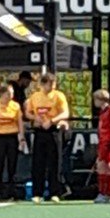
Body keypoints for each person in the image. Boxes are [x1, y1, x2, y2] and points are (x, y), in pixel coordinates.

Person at [25, 74, 70, 204]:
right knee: (38, 163)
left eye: (54, 84)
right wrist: (35, 118)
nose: (52, 87)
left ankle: (54, 193)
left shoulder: (59, 96)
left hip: (53, 131)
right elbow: (28, 112)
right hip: (39, 131)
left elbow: (65, 113)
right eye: (50, 84)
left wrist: (52, 121)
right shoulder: (35, 96)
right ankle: (37, 193)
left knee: (54, 162)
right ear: (42, 84)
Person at [0, 85, 26, 200]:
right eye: (9, 93)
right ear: (3, 94)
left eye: (12, 93)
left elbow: (20, 123)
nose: (11, 96)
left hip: (12, 137)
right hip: (0, 137)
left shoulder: (15, 106)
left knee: (12, 164)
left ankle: (11, 191)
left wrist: (21, 138)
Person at [92, 90, 110, 204]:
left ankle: (104, 193)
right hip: (102, 141)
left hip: (107, 142)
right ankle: (107, 193)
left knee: (103, 166)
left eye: (96, 99)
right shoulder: (102, 111)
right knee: (105, 166)